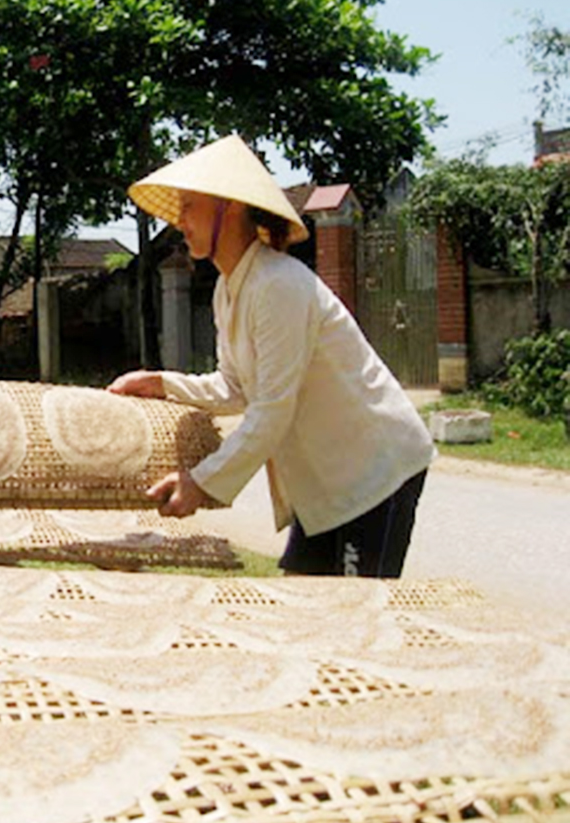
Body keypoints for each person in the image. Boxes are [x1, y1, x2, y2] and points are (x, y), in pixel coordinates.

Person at [108, 135, 435, 579]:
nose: (180, 222)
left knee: (356, 622)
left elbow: (272, 410)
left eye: (190, 207)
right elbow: (235, 387)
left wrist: (201, 481)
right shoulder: (230, 289)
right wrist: (161, 383)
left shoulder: (278, 284)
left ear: (230, 206)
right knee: (303, 608)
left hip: (375, 472)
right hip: (326, 486)